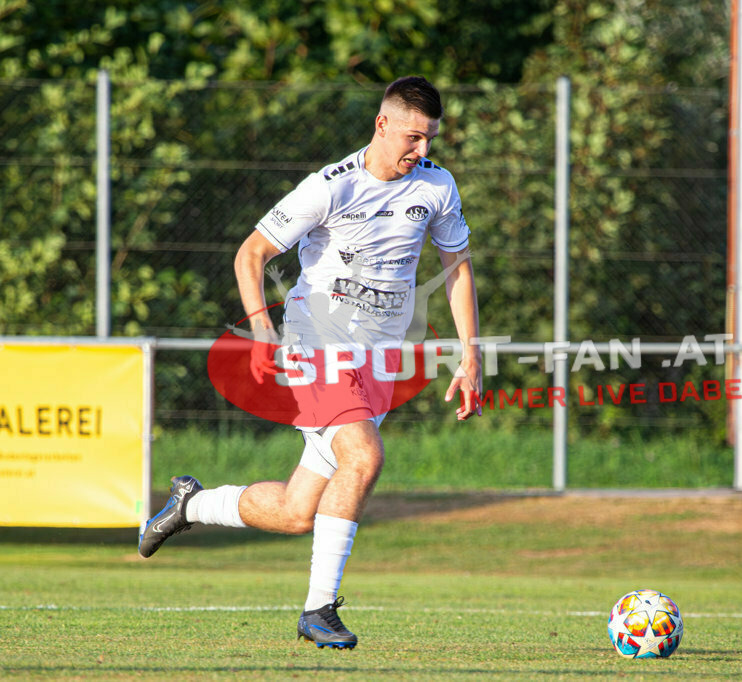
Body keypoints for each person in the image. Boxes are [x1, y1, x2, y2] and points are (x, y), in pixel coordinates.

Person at [137, 76, 484, 649]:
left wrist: (470, 355)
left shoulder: (438, 187)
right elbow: (252, 253)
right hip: (316, 342)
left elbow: (457, 267)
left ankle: (191, 503)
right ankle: (318, 611)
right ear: (382, 125)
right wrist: (261, 330)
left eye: (430, 140)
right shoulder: (330, 189)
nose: (422, 151)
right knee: (364, 456)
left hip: (378, 361)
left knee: (300, 511)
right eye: (414, 138)